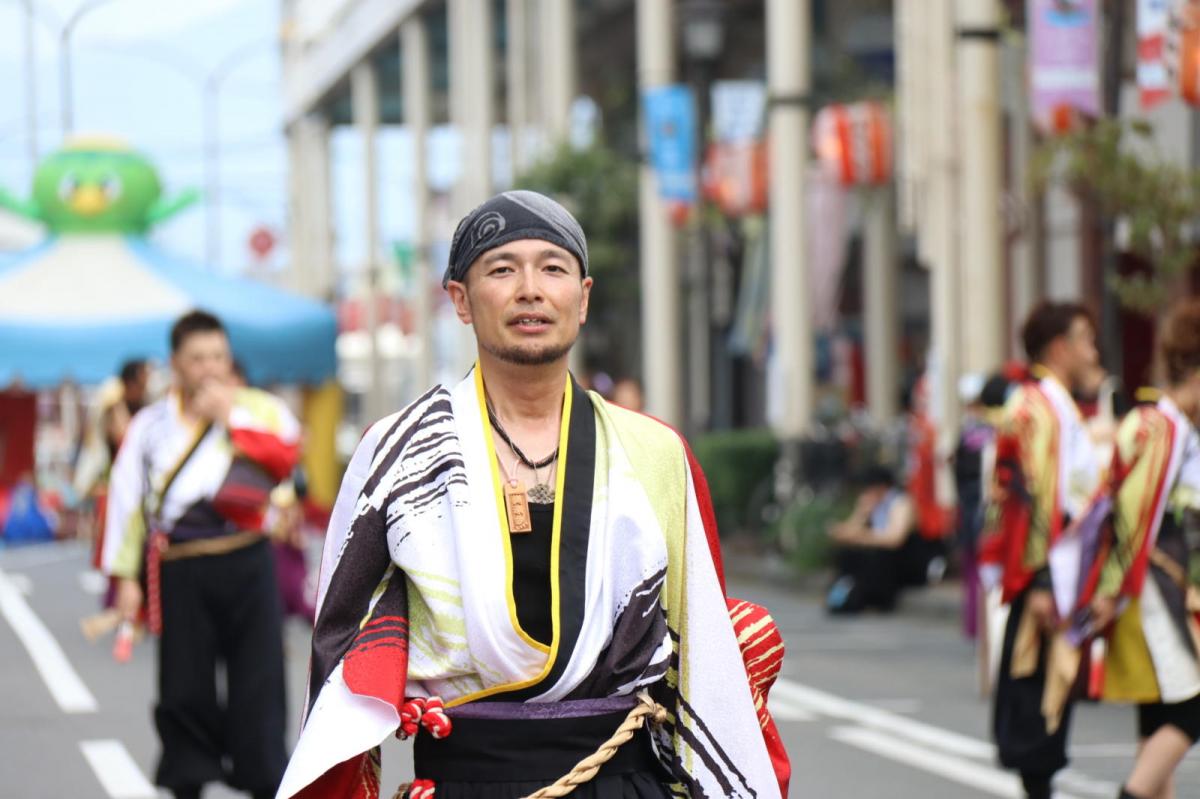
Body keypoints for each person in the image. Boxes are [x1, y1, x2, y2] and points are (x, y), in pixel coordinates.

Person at [277, 191, 789, 799]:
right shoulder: (399, 452)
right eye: (502, 269)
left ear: (583, 297)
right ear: (461, 300)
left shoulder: (655, 452)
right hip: (464, 780)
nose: (530, 290)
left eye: (552, 268)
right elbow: (339, 640)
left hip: (621, 781)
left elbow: (701, 639)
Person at [101, 310, 302, 799]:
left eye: (218, 356)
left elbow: (286, 459)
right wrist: (124, 578)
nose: (210, 367)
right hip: (181, 563)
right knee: (183, 683)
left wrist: (229, 417)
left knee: (259, 679)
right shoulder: (150, 425)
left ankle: (263, 777)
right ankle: (187, 780)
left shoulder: (262, 410)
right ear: (176, 363)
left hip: (248, 557)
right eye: (197, 358)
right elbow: (127, 502)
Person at [1078, 301, 1200, 799]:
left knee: (1160, 709)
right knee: (1188, 709)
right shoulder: (1161, 427)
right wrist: (1111, 590)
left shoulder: (1162, 424)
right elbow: (1133, 516)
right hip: (1152, 590)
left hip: (1150, 586)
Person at [980, 300, 1102, 799]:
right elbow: (1030, 498)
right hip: (1046, 573)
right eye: (1085, 340)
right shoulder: (1034, 406)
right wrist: (1042, 580)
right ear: (1059, 347)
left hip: (1060, 568)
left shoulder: (1056, 403)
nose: (1093, 352)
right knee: (1037, 698)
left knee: (1050, 698)